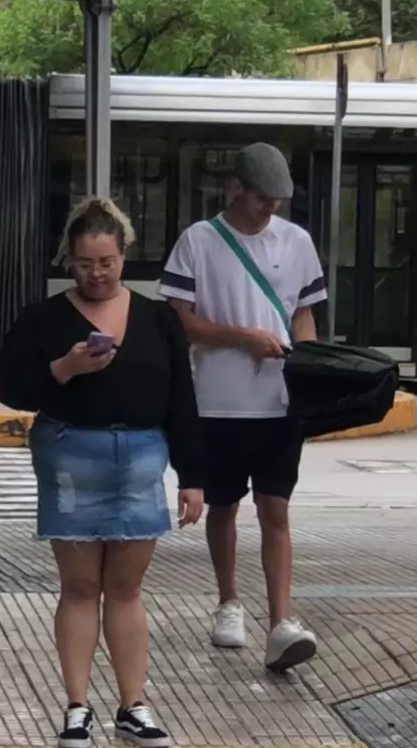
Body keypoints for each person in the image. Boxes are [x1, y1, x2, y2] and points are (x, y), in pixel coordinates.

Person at [0, 197, 204, 748]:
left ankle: (133, 704)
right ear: (69, 259)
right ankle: (77, 705)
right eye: (85, 264)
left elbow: (181, 398)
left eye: (107, 263)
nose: (96, 274)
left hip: (141, 456)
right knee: (81, 586)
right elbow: (12, 389)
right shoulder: (42, 319)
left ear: (124, 256)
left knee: (127, 587)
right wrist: (65, 368)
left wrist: (192, 474)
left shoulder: (158, 319)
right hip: (71, 455)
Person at [159, 142, 327, 673]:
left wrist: (307, 367)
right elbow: (181, 321)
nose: (269, 208)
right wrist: (242, 337)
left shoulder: (297, 242)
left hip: (281, 401)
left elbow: (304, 315)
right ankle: (228, 602)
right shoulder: (199, 241)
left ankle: (281, 622)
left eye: (277, 200)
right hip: (218, 401)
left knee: (276, 508)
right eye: (261, 198)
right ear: (236, 188)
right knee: (224, 505)